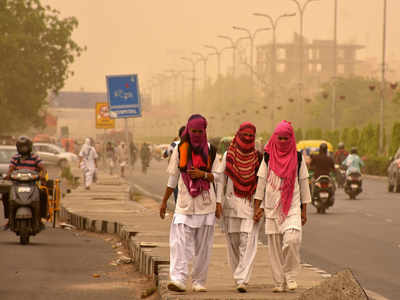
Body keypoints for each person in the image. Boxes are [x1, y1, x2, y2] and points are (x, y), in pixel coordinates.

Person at [159, 114, 220, 293]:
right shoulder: (180, 148)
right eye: (193, 131)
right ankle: (178, 278)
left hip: (205, 204)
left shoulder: (211, 150)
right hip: (184, 204)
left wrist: (203, 175)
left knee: (203, 247)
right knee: (178, 242)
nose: (196, 134)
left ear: (204, 131)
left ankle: (199, 281)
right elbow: (173, 178)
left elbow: (219, 177)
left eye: (199, 131)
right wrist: (164, 202)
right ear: (188, 130)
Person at [254, 121, 311, 292]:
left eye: (286, 138)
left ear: (291, 138)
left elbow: (304, 183)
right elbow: (262, 182)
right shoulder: (268, 157)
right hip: (271, 207)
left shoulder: (298, 157)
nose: (283, 141)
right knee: (275, 249)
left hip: (292, 206)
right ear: (275, 137)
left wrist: (304, 210)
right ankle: (279, 282)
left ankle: (290, 275)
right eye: (280, 138)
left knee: (292, 240)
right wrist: (258, 206)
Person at [216, 122, 262, 293]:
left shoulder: (258, 157)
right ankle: (238, 275)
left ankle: (243, 279)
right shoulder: (229, 155)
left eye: (251, 136)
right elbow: (221, 179)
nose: (248, 138)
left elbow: (260, 184)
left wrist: (260, 207)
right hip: (230, 205)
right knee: (234, 243)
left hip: (249, 205)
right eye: (246, 135)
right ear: (239, 135)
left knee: (247, 241)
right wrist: (218, 203)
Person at [3, 136, 47, 231]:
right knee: (6, 196)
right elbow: (11, 169)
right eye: (21, 147)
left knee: (43, 195)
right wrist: (7, 176)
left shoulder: (35, 157)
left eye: (25, 147)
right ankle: (9, 219)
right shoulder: (15, 157)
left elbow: (43, 168)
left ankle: (40, 218)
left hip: (32, 184)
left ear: (29, 147)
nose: (23, 149)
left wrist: (43, 175)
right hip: (17, 184)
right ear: (18, 148)